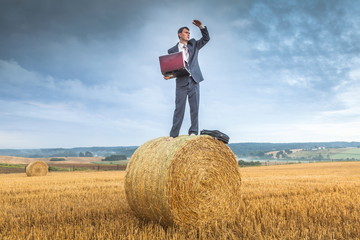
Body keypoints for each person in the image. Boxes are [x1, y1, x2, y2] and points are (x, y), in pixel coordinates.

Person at [165, 19, 210, 141]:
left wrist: (201, 27)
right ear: (180, 34)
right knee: (179, 109)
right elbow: (172, 69)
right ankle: (174, 134)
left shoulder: (193, 44)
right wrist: (168, 75)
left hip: (194, 81)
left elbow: (206, 39)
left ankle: (193, 131)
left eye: (189, 33)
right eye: (186, 32)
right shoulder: (172, 51)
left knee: (194, 108)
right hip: (181, 83)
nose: (188, 34)